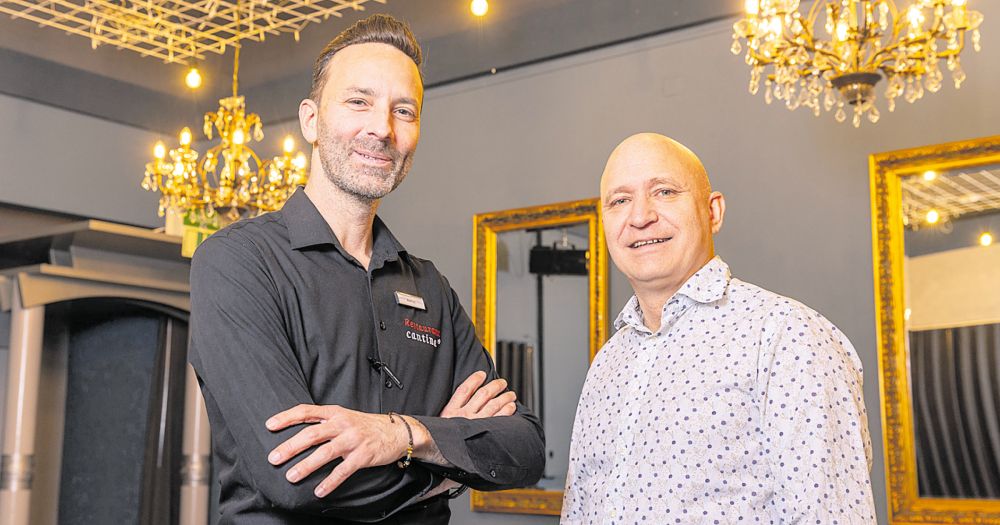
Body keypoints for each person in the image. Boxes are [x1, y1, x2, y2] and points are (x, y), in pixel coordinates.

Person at [188, 14, 544, 524]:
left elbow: (524, 448)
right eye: (359, 101)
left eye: (404, 110)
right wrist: (445, 465)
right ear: (310, 120)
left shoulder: (430, 287)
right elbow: (297, 476)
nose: (382, 128)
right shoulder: (237, 261)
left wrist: (401, 435)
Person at [561, 133, 876, 523]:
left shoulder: (787, 335)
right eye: (620, 201)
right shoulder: (608, 362)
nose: (640, 217)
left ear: (713, 212)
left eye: (664, 192)